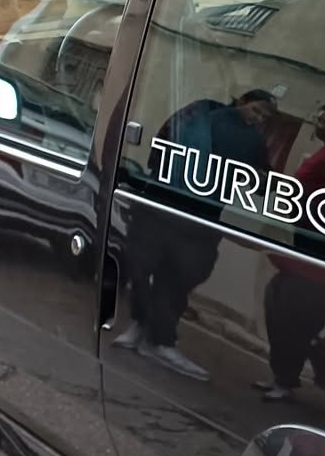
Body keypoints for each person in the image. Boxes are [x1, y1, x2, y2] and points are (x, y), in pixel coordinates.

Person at [111, 87, 275, 380]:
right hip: (170, 209)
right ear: (241, 101)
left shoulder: (245, 136)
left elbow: (258, 180)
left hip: (193, 219)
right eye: (256, 109)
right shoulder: (202, 114)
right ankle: (146, 330)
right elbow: (164, 141)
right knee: (144, 269)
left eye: (264, 116)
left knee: (173, 279)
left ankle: (158, 338)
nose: (258, 118)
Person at [257, 103, 325, 402]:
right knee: (275, 302)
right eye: (319, 121)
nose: (322, 126)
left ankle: (285, 380)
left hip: (320, 258)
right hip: (304, 252)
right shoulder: (322, 156)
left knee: (291, 318)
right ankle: (280, 377)